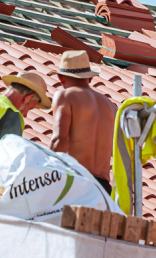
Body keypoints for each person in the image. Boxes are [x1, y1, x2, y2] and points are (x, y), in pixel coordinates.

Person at [49, 50, 117, 193]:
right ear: (90, 78)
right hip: (103, 188)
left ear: (61, 78)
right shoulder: (110, 106)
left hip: (76, 180)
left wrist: (47, 176)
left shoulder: (65, 96)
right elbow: (117, 152)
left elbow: (59, 140)